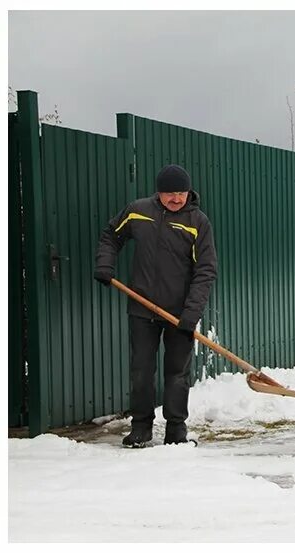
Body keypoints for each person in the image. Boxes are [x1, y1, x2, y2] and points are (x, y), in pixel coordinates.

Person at [94, 164, 217, 446]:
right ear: (158, 193)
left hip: (179, 313)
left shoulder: (198, 222)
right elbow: (111, 235)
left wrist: (191, 313)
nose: (176, 199)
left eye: (182, 193)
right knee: (141, 371)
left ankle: (176, 430)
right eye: (170, 193)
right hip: (141, 307)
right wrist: (104, 263)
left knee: (177, 373)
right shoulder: (138, 211)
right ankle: (141, 428)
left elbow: (206, 270)